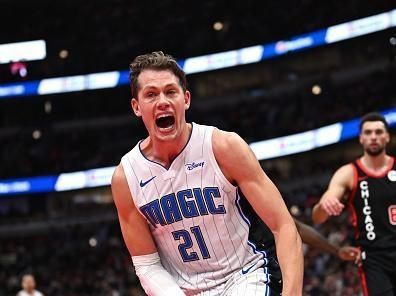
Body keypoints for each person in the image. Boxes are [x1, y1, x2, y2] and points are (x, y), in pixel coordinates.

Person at [111, 51, 303, 296]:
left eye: (171, 92)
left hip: (245, 274)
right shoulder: (125, 178)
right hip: (186, 290)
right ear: (137, 107)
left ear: (186, 99)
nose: (163, 101)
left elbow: (283, 225)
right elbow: (147, 265)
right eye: (151, 94)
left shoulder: (223, 147)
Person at [312, 112, 396, 296]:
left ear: (387, 136)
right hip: (374, 258)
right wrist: (325, 205)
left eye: (378, 132)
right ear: (361, 138)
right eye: (368, 132)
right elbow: (317, 218)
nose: (373, 136)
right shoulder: (349, 173)